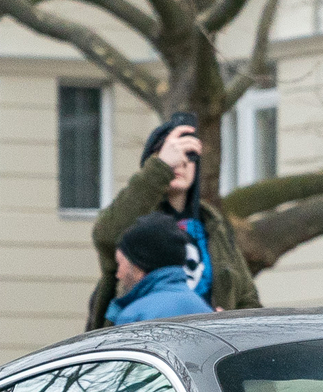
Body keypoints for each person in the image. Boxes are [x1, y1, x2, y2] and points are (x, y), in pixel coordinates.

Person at [82, 115, 262, 330]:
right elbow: (106, 235)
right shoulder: (135, 220)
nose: (181, 161)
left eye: (189, 154)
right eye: (169, 152)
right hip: (137, 345)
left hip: (206, 348)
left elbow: (247, 299)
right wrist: (160, 168)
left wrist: (230, 324)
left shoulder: (214, 225)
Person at [105, 215, 214, 323]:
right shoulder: (206, 312)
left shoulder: (133, 318)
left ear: (138, 266)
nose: (118, 274)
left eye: (120, 263)